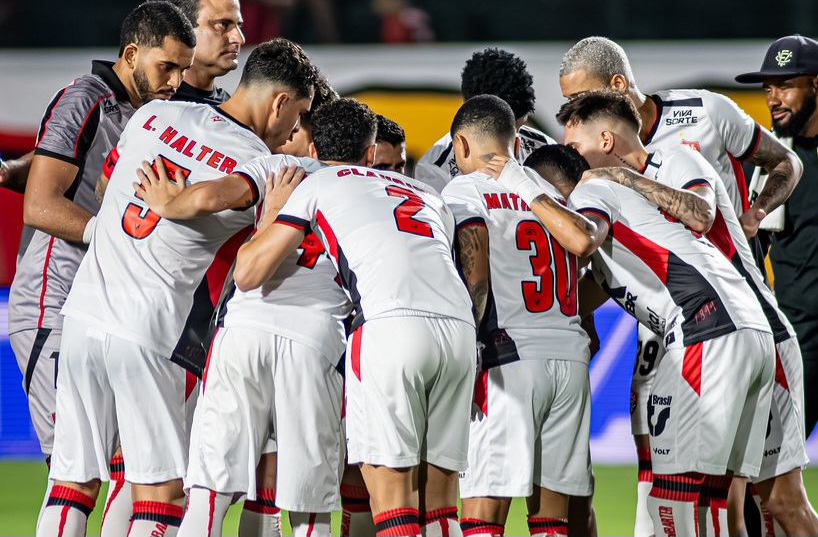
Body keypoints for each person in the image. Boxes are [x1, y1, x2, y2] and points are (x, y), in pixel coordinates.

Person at [37, 38, 317, 537]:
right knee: (159, 490)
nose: (293, 128)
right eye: (297, 115)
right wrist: (254, 213)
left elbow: (104, 190)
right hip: (151, 328)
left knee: (70, 482)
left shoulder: (153, 115)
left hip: (84, 311)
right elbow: (214, 198)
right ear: (280, 102)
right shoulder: (262, 160)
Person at [558, 36, 803, 537]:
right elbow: (626, 259)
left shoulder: (696, 127)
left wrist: (757, 212)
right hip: (677, 324)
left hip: (725, 317)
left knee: (753, 500)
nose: (570, 123)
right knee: (693, 486)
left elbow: (780, 166)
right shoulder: (605, 175)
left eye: (579, 103)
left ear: (615, 89)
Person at [481, 137, 776, 537]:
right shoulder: (626, 224)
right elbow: (569, 303)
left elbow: (583, 236)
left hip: (704, 329)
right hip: (748, 327)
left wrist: (522, 184)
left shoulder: (591, 192)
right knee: (719, 504)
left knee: (671, 501)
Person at [235, 97, 477, 537]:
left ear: (312, 150)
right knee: (441, 505)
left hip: (390, 326)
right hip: (460, 333)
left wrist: (271, 215)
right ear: (372, 153)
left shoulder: (317, 182)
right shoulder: (429, 195)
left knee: (392, 501)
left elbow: (249, 273)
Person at [3, 0, 196, 535]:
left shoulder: (149, 117)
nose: (176, 81)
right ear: (132, 53)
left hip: (104, 309)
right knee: (75, 473)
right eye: (167, 67)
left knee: (119, 469)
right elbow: (41, 206)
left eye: (183, 70)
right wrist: (115, 241)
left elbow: (53, 169)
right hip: (54, 298)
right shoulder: (86, 98)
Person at [440, 95, 594, 536]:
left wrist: (465, 355)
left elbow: (477, 275)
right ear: (516, 144)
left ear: (461, 145)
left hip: (508, 362)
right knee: (551, 520)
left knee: (482, 517)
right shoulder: (545, 189)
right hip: (569, 358)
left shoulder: (464, 189)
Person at [735, 34, 818, 441]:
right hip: (802, 342)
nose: (773, 99)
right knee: (765, 475)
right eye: (768, 89)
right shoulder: (771, 161)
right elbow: (750, 250)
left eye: (785, 85)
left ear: (816, 84)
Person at [414, 47, 557, 192]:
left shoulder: (546, 149)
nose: (511, 141)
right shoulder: (434, 169)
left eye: (517, 129)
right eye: (498, 130)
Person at [166, 0, 245, 105]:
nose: (239, 38)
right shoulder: (149, 104)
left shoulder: (231, 110)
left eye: (239, 26)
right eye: (223, 24)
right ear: (181, 28)